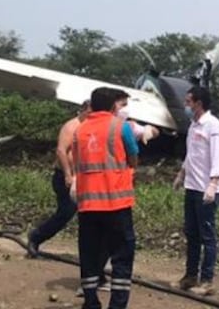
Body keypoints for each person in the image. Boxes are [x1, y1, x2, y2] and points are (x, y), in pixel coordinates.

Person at [74, 87, 139, 309]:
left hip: (88, 205)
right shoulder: (120, 127)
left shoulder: (80, 130)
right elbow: (133, 155)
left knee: (90, 254)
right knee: (122, 255)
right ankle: (117, 305)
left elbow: (78, 163)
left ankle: (91, 302)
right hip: (116, 203)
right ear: (113, 106)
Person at [173, 86, 219, 296]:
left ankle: (207, 280)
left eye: (188, 102)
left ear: (199, 103)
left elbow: (218, 156)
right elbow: (191, 154)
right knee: (192, 233)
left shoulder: (213, 125)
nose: (186, 105)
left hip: (206, 189)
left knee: (207, 235)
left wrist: (213, 182)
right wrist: (181, 174)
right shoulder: (194, 125)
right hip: (191, 186)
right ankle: (190, 275)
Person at [28, 100, 90, 256]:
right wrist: (68, 174)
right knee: (66, 212)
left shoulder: (89, 127)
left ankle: (90, 255)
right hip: (65, 176)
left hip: (83, 177)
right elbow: (61, 151)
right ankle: (36, 236)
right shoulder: (72, 126)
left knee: (87, 216)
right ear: (83, 110)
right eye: (90, 111)